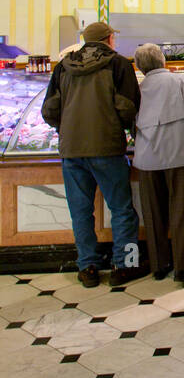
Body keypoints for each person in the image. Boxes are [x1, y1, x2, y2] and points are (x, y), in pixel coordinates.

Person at [41, 21, 140, 289]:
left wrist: (68, 127)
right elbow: (128, 107)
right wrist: (116, 125)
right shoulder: (119, 64)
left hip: (72, 151)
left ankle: (88, 268)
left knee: (80, 212)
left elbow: (49, 109)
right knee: (122, 211)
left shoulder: (63, 65)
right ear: (109, 39)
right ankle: (125, 265)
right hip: (107, 148)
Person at [132, 44, 184, 285]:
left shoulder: (138, 88)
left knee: (152, 212)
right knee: (181, 210)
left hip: (147, 155)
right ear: (162, 60)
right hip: (179, 152)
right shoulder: (179, 81)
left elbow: (130, 119)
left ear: (141, 67)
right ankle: (183, 267)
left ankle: (159, 265)